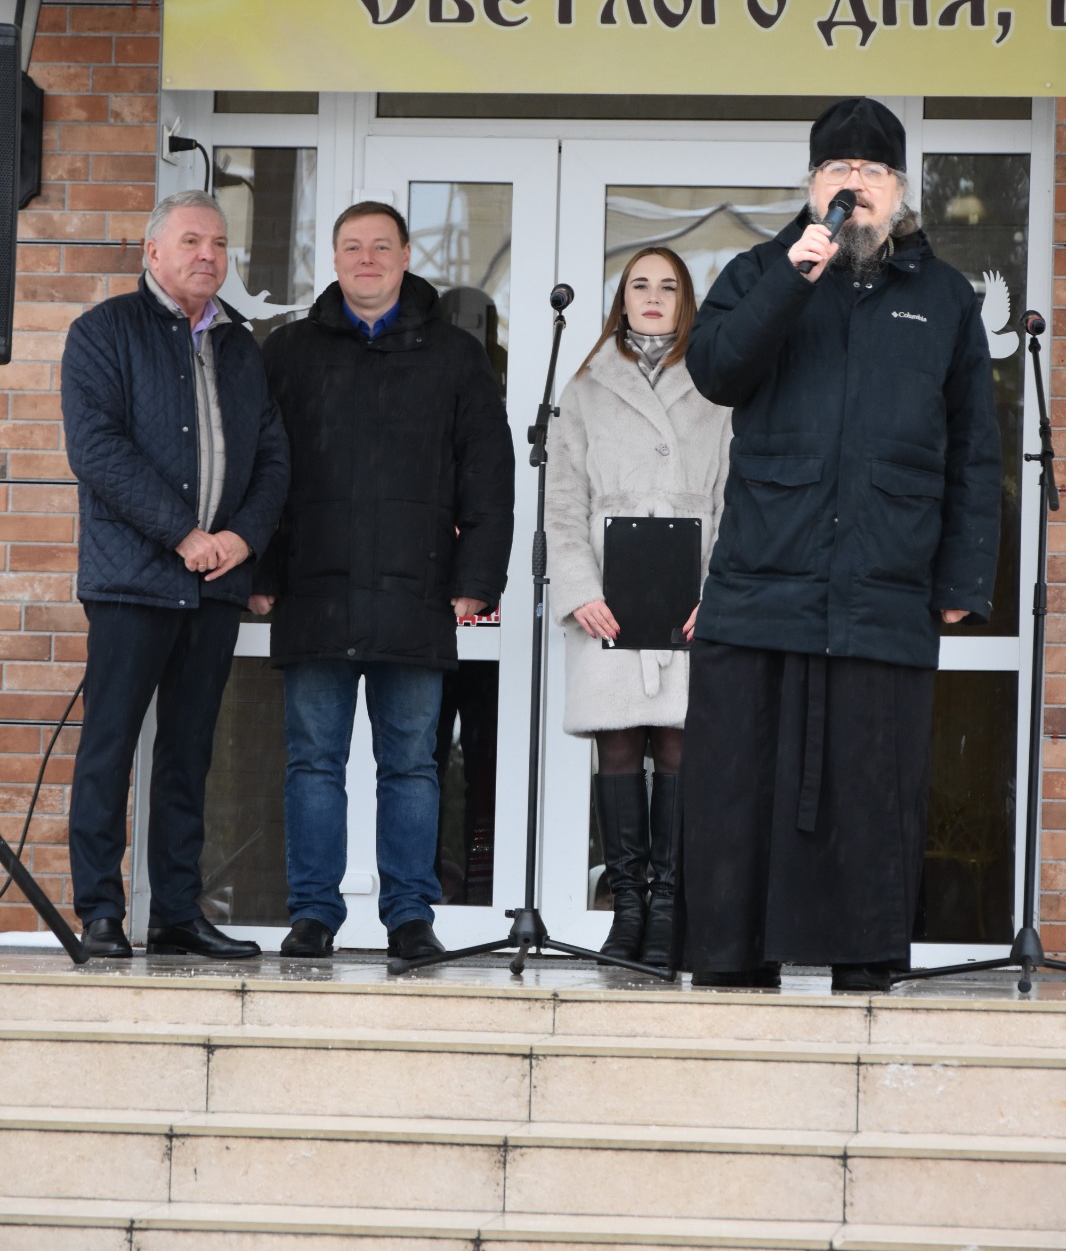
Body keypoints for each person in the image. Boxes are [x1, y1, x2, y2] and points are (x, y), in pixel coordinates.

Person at [682, 96, 1001, 992]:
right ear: (812, 185)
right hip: (763, 577)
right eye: (838, 171)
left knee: (872, 789)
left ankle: (864, 969)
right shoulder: (760, 270)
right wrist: (794, 279)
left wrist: (963, 578)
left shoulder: (944, 298)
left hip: (884, 585)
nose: (853, 185)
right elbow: (716, 372)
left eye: (871, 172)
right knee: (741, 784)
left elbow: (974, 445)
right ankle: (733, 966)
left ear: (899, 190)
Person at [250, 201, 515, 961]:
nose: (365, 259)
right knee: (313, 764)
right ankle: (313, 915)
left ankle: (409, 917)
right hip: (314, 589)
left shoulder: (455, 355)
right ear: (334, 260)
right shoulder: (289, 351)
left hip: (415, 591)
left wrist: (477, 577)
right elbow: (261, 469)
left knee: (411, 765)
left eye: (380, 246)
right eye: (351, 247)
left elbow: (488, 472)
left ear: (404, 256)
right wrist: (260, 571)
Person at [61, 190, 290, 960]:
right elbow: (97, 451)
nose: (208, 255)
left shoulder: (240, 347)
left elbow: (273, 456)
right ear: (152, 251)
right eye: (192, 241)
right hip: (132, 581)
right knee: (110, 747)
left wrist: (240, 539)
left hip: (216, 584)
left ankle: (177, 915)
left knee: (189, 756)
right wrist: (183, 535)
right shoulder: (103, 333)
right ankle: (100, 912)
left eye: (219, 244)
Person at [545, 249, 731, 967]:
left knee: (680, 746)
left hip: (689, 594)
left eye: (668, 286)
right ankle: (626, 911)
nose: (653, 297)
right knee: (618, 744)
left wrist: (717, 594)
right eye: (639, 286)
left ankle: (667, 913)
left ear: (686, 301)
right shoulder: (585, 387)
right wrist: (579, 589)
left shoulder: (717, 385)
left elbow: (736, 501)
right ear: (620, 300)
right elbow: (563, 501)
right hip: (609, 595)